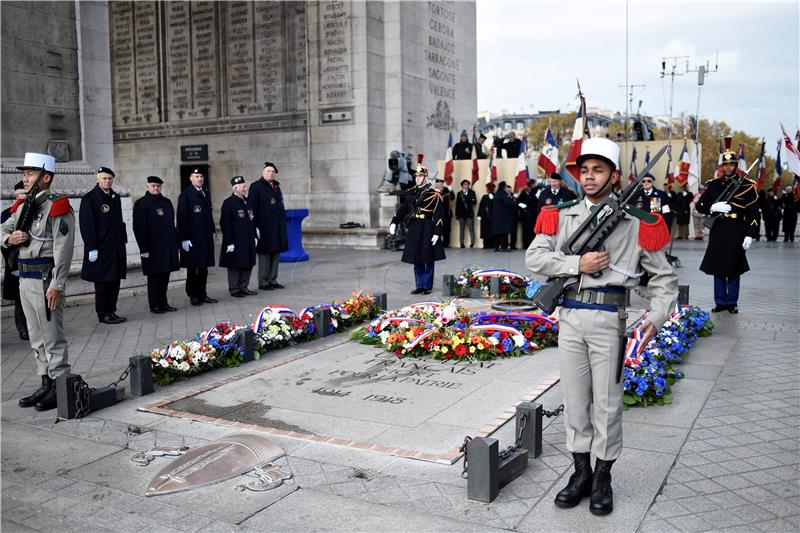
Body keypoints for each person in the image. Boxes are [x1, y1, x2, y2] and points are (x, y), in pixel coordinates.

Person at [526, 138, 677, 516]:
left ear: (614, 176)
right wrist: (578, 265)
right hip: (571, 319)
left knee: (607, 406)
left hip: (611, 320)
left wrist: (655, 318)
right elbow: (535, 257)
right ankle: (581, 473)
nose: (590, 177)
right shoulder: (559, 216)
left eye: (599, 170)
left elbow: (664, 280)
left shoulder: (639, 224)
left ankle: (604, 477)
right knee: (576, 402)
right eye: (585, 170)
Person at [1, 152, 76, 411]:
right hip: (25, 279)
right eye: (24, 173)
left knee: (52, 337)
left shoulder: (58, 206)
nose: (24, 177)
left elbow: (64, 251)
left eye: (30, 173)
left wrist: (58, 284)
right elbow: (3, 229)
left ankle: (60, 386)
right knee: (36, 337)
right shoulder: (23, 206)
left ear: (46, 178)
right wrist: (10, 239)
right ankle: (45, 382)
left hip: (46, 282)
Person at [695, 150, 758, 313]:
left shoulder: (746, 185)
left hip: (737, 228)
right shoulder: (714, 184)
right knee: (718, 266)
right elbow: (699, 206)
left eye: (731, 164)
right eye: (725, 164)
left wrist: (750, 234)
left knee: (733, 266)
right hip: (719, 228)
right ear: (722, 166)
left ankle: (732, 302)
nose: (728, 167)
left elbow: (753, 212)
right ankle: (720, 302)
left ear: (736, 165)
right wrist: (712, 207)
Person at [79, 167, 128, 324]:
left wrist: (123, 240)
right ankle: (103, 313)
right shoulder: (90, 198)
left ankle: (111, 310)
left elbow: (119, 222)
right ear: (98, 179)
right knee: (102, 282)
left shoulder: (114, 197)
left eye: (110, 179)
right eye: (104, 178)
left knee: (114, 280)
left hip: (115, 247)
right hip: (100, 248)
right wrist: (91, 247)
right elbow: (87, 225)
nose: (107, 181)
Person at [388, 164, 445, 294]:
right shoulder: (410, 192)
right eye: (416, 177)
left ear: (425, 177)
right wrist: (394, 223)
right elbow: (402, 210)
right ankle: (419, 285)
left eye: (420, 176)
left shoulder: (434, 194)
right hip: (414, 227)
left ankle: (427, 286)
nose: (417, 179)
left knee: (428, 257)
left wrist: (437, 232)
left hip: (427, 227)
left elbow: (438, 215)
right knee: (416, 257)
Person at [132, 176, 179, 314]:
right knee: (154, 277)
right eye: (153, 185)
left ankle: (163, 302)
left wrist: (175, 243)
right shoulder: (142, 204)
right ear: (147, 186)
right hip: (152, 248)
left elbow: (171, 225)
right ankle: (155, 304)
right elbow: (139, 228)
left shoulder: (166, 202)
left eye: (158, 186)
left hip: (167, 246)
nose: (156, 188)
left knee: (165, 276)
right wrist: (143, 248)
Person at [177, 168, 217, 306]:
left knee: (203, 268)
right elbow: (182, 218)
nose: (199, 178)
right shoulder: (186, 195)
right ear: (191, 178)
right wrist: (184, 238)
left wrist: (212, 230)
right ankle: (193, 295)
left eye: (201, 176)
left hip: (205, 237)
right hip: (193, 239)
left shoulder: (205, 192)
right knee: (192, 268)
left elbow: (208, 214)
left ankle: (202, 294)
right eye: (196, 176)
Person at [248, 162, 288, 290]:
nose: (270, 173)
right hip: (263, 227)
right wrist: (254, 227)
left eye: (272, 172)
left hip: (276, 226)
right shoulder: (256, 187)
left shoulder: (276, 186)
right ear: (263, 172)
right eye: (268, 171)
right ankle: (263, 281)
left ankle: (273, 279)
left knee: (275, 253)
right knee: (265, 255)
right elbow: (251, 208)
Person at [220, 176, 257, 297]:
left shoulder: (247, 202)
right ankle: (235, 289)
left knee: (248, 263)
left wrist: (255, 235)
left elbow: (252, 220)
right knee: (235, 265)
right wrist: (229, 242)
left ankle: (244, 287)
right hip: (236, 240)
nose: (245, 188)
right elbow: (225, 224)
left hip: (248, 239)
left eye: (245, 186)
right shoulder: (229, 203)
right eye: (243, 187)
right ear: (235, 188)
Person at [1, 181, 29, 339]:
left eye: (24, 194)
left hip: (31, 260)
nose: (22, 196)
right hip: (14, 260)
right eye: (19, 194)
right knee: (20, 299)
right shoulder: (7, 213)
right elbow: (3, 240)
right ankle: (22, 328)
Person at [491, 181, 515, 251]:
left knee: (498, 233)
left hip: (497, 217)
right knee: (503, 232)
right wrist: (512, 199)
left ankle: (496, 247)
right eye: (506, 186)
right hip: (503, 217)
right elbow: (508, 202)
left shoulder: (497, 193)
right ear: (504, 187)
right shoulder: (502, 193)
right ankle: (503, 247)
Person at [517, 178, 540, 249]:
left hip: (533, 215)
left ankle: (532, 246)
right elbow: (519, 201)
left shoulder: (535, 192)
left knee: (533, 231)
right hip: (525, 216)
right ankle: (525, 245)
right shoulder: (523, 193)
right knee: (526, 231)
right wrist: (521, 206)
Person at [455, 179, 476, 248]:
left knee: (471, 229)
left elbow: (474, 202)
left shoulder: (472, 192)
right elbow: (457, 205)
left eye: (467, 184)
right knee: (462, 229)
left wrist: (471, 198)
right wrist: (456, 214)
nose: (466, 186)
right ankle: (461, 243)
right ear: (462, 186)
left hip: (469, 214)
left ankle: (472, 243)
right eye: (464, 184)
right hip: (461, 214)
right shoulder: (459, 193)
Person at [433, 178, 454, 247]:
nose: (441, 185)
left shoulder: (446, 190)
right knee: (438, 228)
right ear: (436, 184)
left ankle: (446, 244)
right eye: (440, 184)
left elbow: (452, 198)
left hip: (447, 213)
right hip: (437, 213)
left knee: (447, 229)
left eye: (442, 184)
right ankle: (437, 243)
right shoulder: (433, 191)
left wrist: (451, 191)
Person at [477, 183, 495, 249]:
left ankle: (492, 245)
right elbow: (481, 206)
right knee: (485, 231)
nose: (488, 190)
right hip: (484, 217)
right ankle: (485, 245)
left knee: (491, 232)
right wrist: (479, 215)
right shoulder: (484, 197)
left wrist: (492, 199)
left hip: (492, 217)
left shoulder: (495, 196)